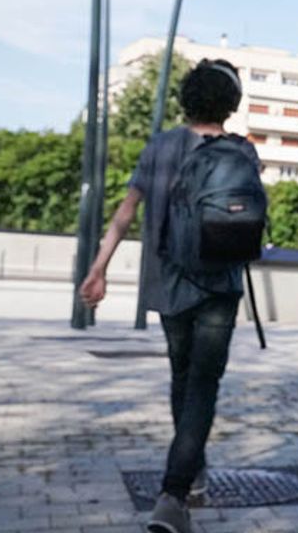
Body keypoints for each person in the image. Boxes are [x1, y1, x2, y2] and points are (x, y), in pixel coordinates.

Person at [80, 58, 260, 533]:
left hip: (168, 284)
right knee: (202, 386)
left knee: (183, 379)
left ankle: (183, 481)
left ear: (186, 99)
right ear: (231, 103)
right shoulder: (243, 152)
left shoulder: (159, 148)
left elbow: (124, 214)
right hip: (221, 286)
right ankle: (175, 493)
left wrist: (99, 270)